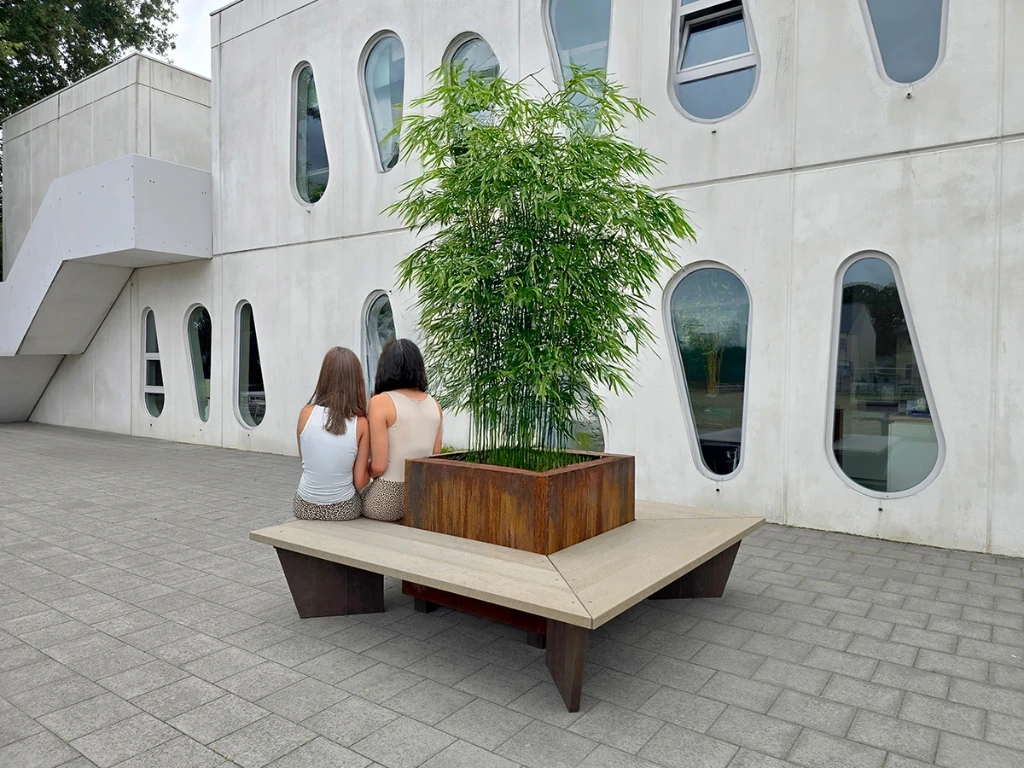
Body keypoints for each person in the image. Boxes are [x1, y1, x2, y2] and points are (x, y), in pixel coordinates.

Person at [364, 339, 442, 521]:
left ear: (385, 367)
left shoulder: (380, 402)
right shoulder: (435, 405)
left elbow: (378, 466)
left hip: (388, 499)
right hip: (423, 497)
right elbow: (436, 455)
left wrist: (364, 470)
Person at [293, 347, 371, 521]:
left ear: (324, 378)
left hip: (304, 505)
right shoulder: (361, 423)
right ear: (357, 382)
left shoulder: (306, 413)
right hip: (344, 508)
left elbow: (306, 460)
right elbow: (360, 481)